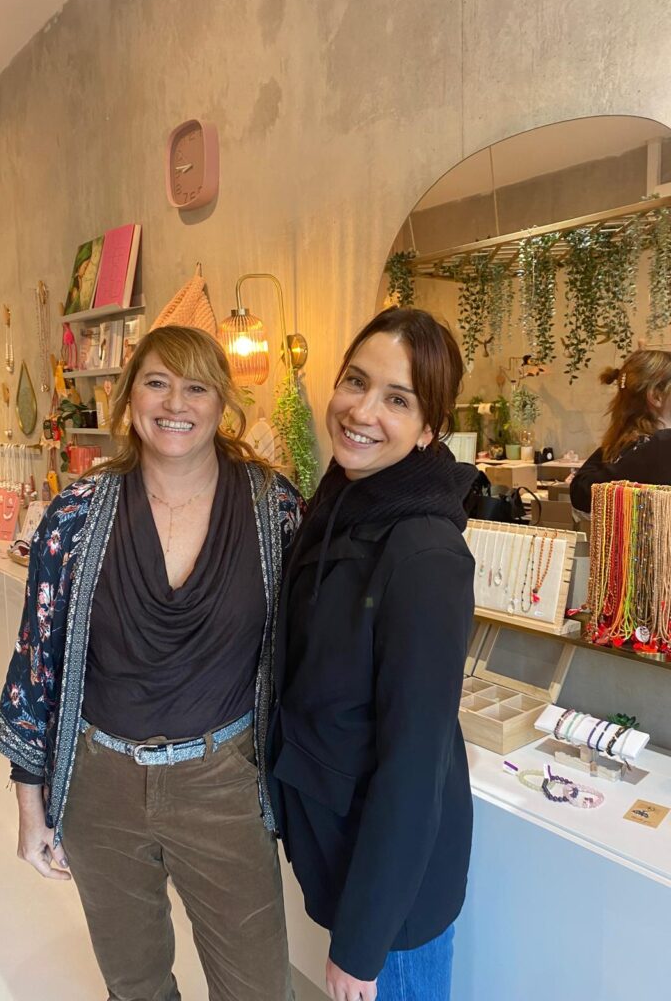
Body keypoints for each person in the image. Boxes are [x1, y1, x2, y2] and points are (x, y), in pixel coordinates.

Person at [0, 325, 303, 1001]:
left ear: (223, 403)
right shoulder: (77, 513)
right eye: (157, 382)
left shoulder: (272, 508)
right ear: (129, 395)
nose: (175, 403)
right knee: (135, 987)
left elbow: (310, 647)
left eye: (196, 386)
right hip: (102, 785)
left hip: (223, 782)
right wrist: (30, 802)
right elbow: (36, 662)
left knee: (258, 988)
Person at [268, 306, 476, 1001]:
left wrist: (362, 945)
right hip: (344, 856)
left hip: (393, 901)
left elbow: (416, 764)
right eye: (355, 381)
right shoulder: (345, 501)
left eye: (397, 399)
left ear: (430, 429)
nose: (361, 410)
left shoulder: (423, 551)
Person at [570, 348, 671, 513]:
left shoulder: (629, 447)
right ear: (656, 396)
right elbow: (582, 491)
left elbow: (580, 490)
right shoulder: (661, 446)